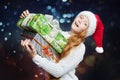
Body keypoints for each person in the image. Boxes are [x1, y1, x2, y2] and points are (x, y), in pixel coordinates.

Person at [20, 10, 104, 80]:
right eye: (81, 17)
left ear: (86, 31)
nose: (80, 21)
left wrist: (35, 57)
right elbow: (36, 32)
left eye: (85, 23)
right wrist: (28, 18)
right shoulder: (58, 34)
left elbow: (59, 71)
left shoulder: (80, 47)